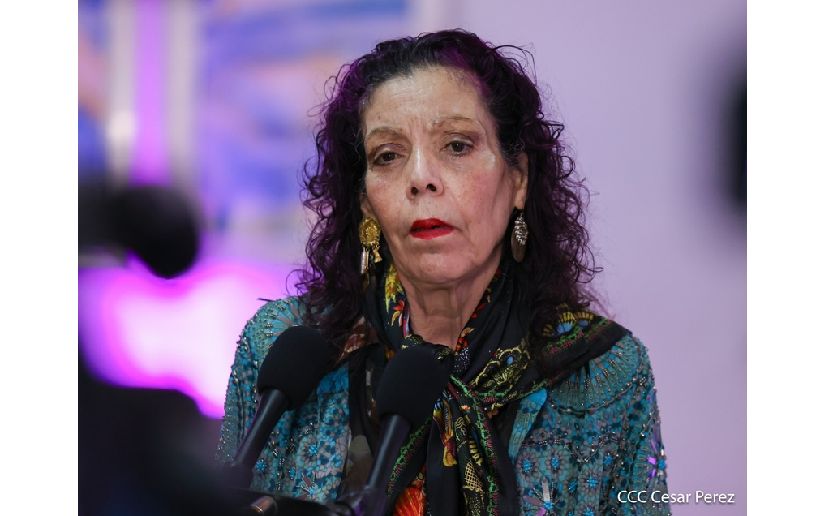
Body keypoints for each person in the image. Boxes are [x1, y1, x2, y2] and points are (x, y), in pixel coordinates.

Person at [216, 30, 669, 515]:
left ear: (517, 178)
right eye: (388, 156)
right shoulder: (283, 349)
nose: (420, 179)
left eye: (456, 145)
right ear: (366, 202)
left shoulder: (601, 372)